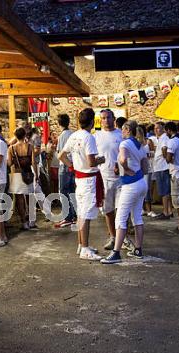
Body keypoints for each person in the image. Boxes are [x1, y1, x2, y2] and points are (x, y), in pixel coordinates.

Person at [58, 108, 105, 261]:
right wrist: (101, 160)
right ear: (92, 121)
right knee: (85, 214)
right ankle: (84, 248)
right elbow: (91, 161)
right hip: (89, 179)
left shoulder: (74, 136)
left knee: (82, 213)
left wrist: (72, 167)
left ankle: (82, 244)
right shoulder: (88, 138)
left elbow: (61, 155)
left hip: (80, 177)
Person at [101, 120, 149, 264]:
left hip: (130, 185)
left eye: (122, 129)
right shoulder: (141, 144)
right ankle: (138, 249)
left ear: (127, 130)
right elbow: (145, 167)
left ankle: (116, 253)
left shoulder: (124, 144)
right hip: (141, 183)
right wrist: (133, 169)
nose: (121, 132)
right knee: (137, 217)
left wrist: (126, 170)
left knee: (120, 218)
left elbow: (122, 159)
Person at [94, 109, 123, 251]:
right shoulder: (97, 136)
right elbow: (92, 157)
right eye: (103, 118)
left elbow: (127, 153)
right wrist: (99, 160)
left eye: (108, 117)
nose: (106, 120)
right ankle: (113, 237)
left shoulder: (121, 134)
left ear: (114, 118)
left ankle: (121, 236)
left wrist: (120, 164)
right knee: (108, 210)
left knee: (122, 209)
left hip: (121, 178)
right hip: (104, 177)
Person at [8, 127, 36, 230]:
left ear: (15, 136)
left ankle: (24, 223)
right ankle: (31, 221)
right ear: (25, 135)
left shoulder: (11, 148)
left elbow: (10, 163)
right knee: (30, 197)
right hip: (28, 173)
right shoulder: (30, 147)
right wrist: (36, 175)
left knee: (20, 199)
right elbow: (33, 162)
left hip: (16, 174)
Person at [55, 113, 76, 228]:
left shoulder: (62, 136)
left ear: (59, 123)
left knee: (63, 191)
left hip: (65, 165)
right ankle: (73, 215)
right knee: (72, 191)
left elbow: (61, 153)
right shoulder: (73, 133)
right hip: (73, 164)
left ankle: (67, 216)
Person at [153, 121, 173, 219]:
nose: (155, 130)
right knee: (166, 190)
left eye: (158, 128)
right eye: (155, 128)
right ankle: (169, 210)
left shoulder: (164, 137)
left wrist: (165, 158)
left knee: (164, 191)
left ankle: (165, 211)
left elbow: (164, 149)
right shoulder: (161, 138)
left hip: (162, 167)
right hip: (161, 167)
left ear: (163, 129)